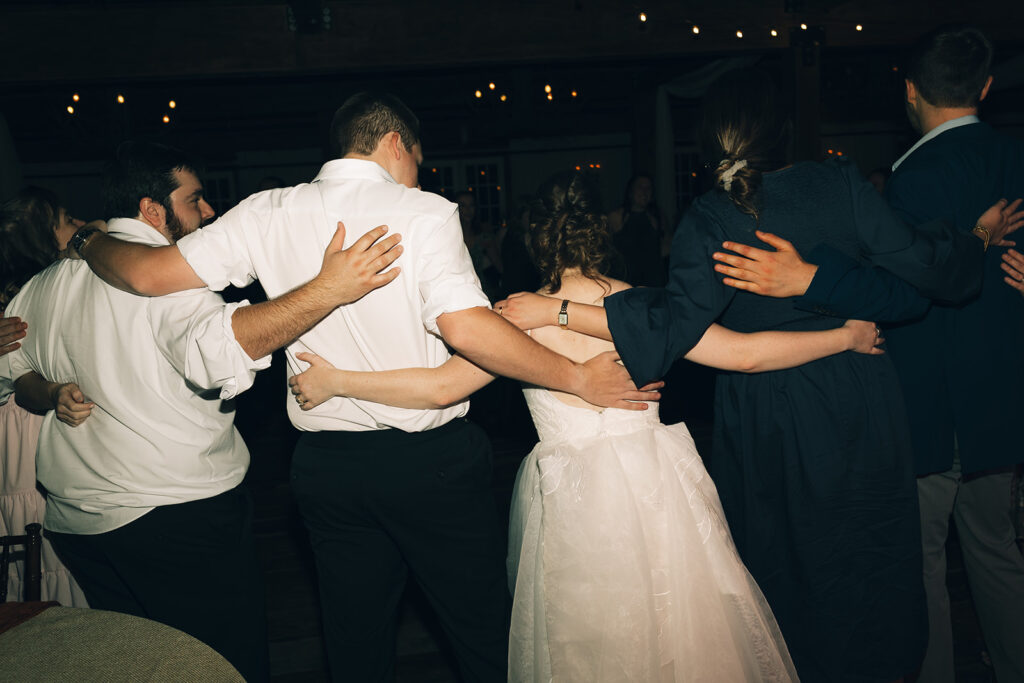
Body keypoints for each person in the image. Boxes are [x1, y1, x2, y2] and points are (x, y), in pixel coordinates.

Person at [68, 94, 650, 682]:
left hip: (326, 470)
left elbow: (145, 274)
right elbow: (466, 328)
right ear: (397, 143)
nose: (416, 174)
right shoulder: (423, 211)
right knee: (479, 632)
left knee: (355, 643)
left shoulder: (264, 211)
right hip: (432, 469)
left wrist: (86, 241)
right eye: (417, 159)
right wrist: (576, 375)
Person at [495, 69, 1021, 682]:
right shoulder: (839, 183)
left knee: (789, 567)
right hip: (859, 393)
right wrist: (976, 238)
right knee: (870, 558)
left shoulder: (710, 216)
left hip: (772, 410)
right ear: (783, 131)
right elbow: (921, 286)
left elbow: (676, 325)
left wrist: (558, 309)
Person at [284, 171, 897, 681]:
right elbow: (745, 354)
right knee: (690, 636)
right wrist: (845, 334)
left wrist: (338, 381)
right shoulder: (648, 306)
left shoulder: (518, 316)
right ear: (597, 233)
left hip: (575, 502)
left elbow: (441, 389)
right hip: (660, 485)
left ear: (532, 242)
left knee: (594, 647)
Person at [0, 141, 400, 681]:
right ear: (151, 210)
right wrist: (327, 290)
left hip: (80, 526)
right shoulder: (170, 285)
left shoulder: (42, 285)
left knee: (134, 670)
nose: (208, 212)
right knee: (220, 667)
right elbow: (222, 353)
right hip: (174, 517)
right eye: (195, 200)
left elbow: (12, 373)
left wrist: (46, 390)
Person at [711, 27, 1024, 682]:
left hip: (929, 401)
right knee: (999, 555)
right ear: (987, 90)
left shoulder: (914, 173)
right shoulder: (1014, 156)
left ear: (910, 93)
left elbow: (908, 285)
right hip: (999, 395)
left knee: (924, 564)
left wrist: (812, 283)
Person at [0, 186, 89, 606]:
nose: (80, 225)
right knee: (41, 553)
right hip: (25, 440)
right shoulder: (19, 303)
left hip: (45, 429)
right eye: (67, 221)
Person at [607, 174, 667, 286]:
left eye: (648, 188)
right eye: (640, 187)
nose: (645, 192)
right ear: (631, 191)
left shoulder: (657, 218)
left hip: (652, 285)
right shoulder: (616, 217)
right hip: (625, 283)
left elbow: (663, 250)